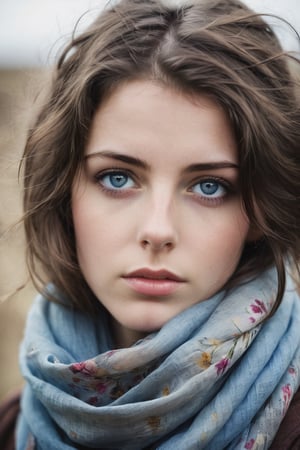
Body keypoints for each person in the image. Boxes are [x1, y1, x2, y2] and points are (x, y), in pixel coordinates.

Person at [11, 0, 300, 448]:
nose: (159, 230)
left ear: (261, 211)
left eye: (209, 187)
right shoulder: (12, 425)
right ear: (64, 192)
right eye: (118, 178)